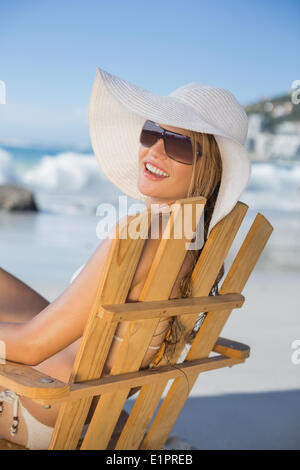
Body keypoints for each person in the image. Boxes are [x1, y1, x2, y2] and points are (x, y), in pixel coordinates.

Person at [0, 67, 251, 449]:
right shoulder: (188, 241)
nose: (154, 150)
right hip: (90, 393)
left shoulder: (139, 235)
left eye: (179, 144)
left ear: (209, 168)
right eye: (151, 132)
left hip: (41, 406)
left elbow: (32, 348)